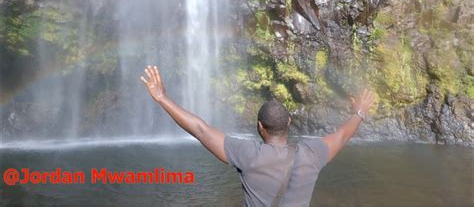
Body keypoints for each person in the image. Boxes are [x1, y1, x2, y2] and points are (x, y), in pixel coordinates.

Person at [141, 65, 375, 207]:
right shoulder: (312, 154)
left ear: (259, 126)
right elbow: (343, 135)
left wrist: (162, 98)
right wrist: (360, 111)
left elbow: (201, 130)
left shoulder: (247, 154)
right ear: (289, 123)